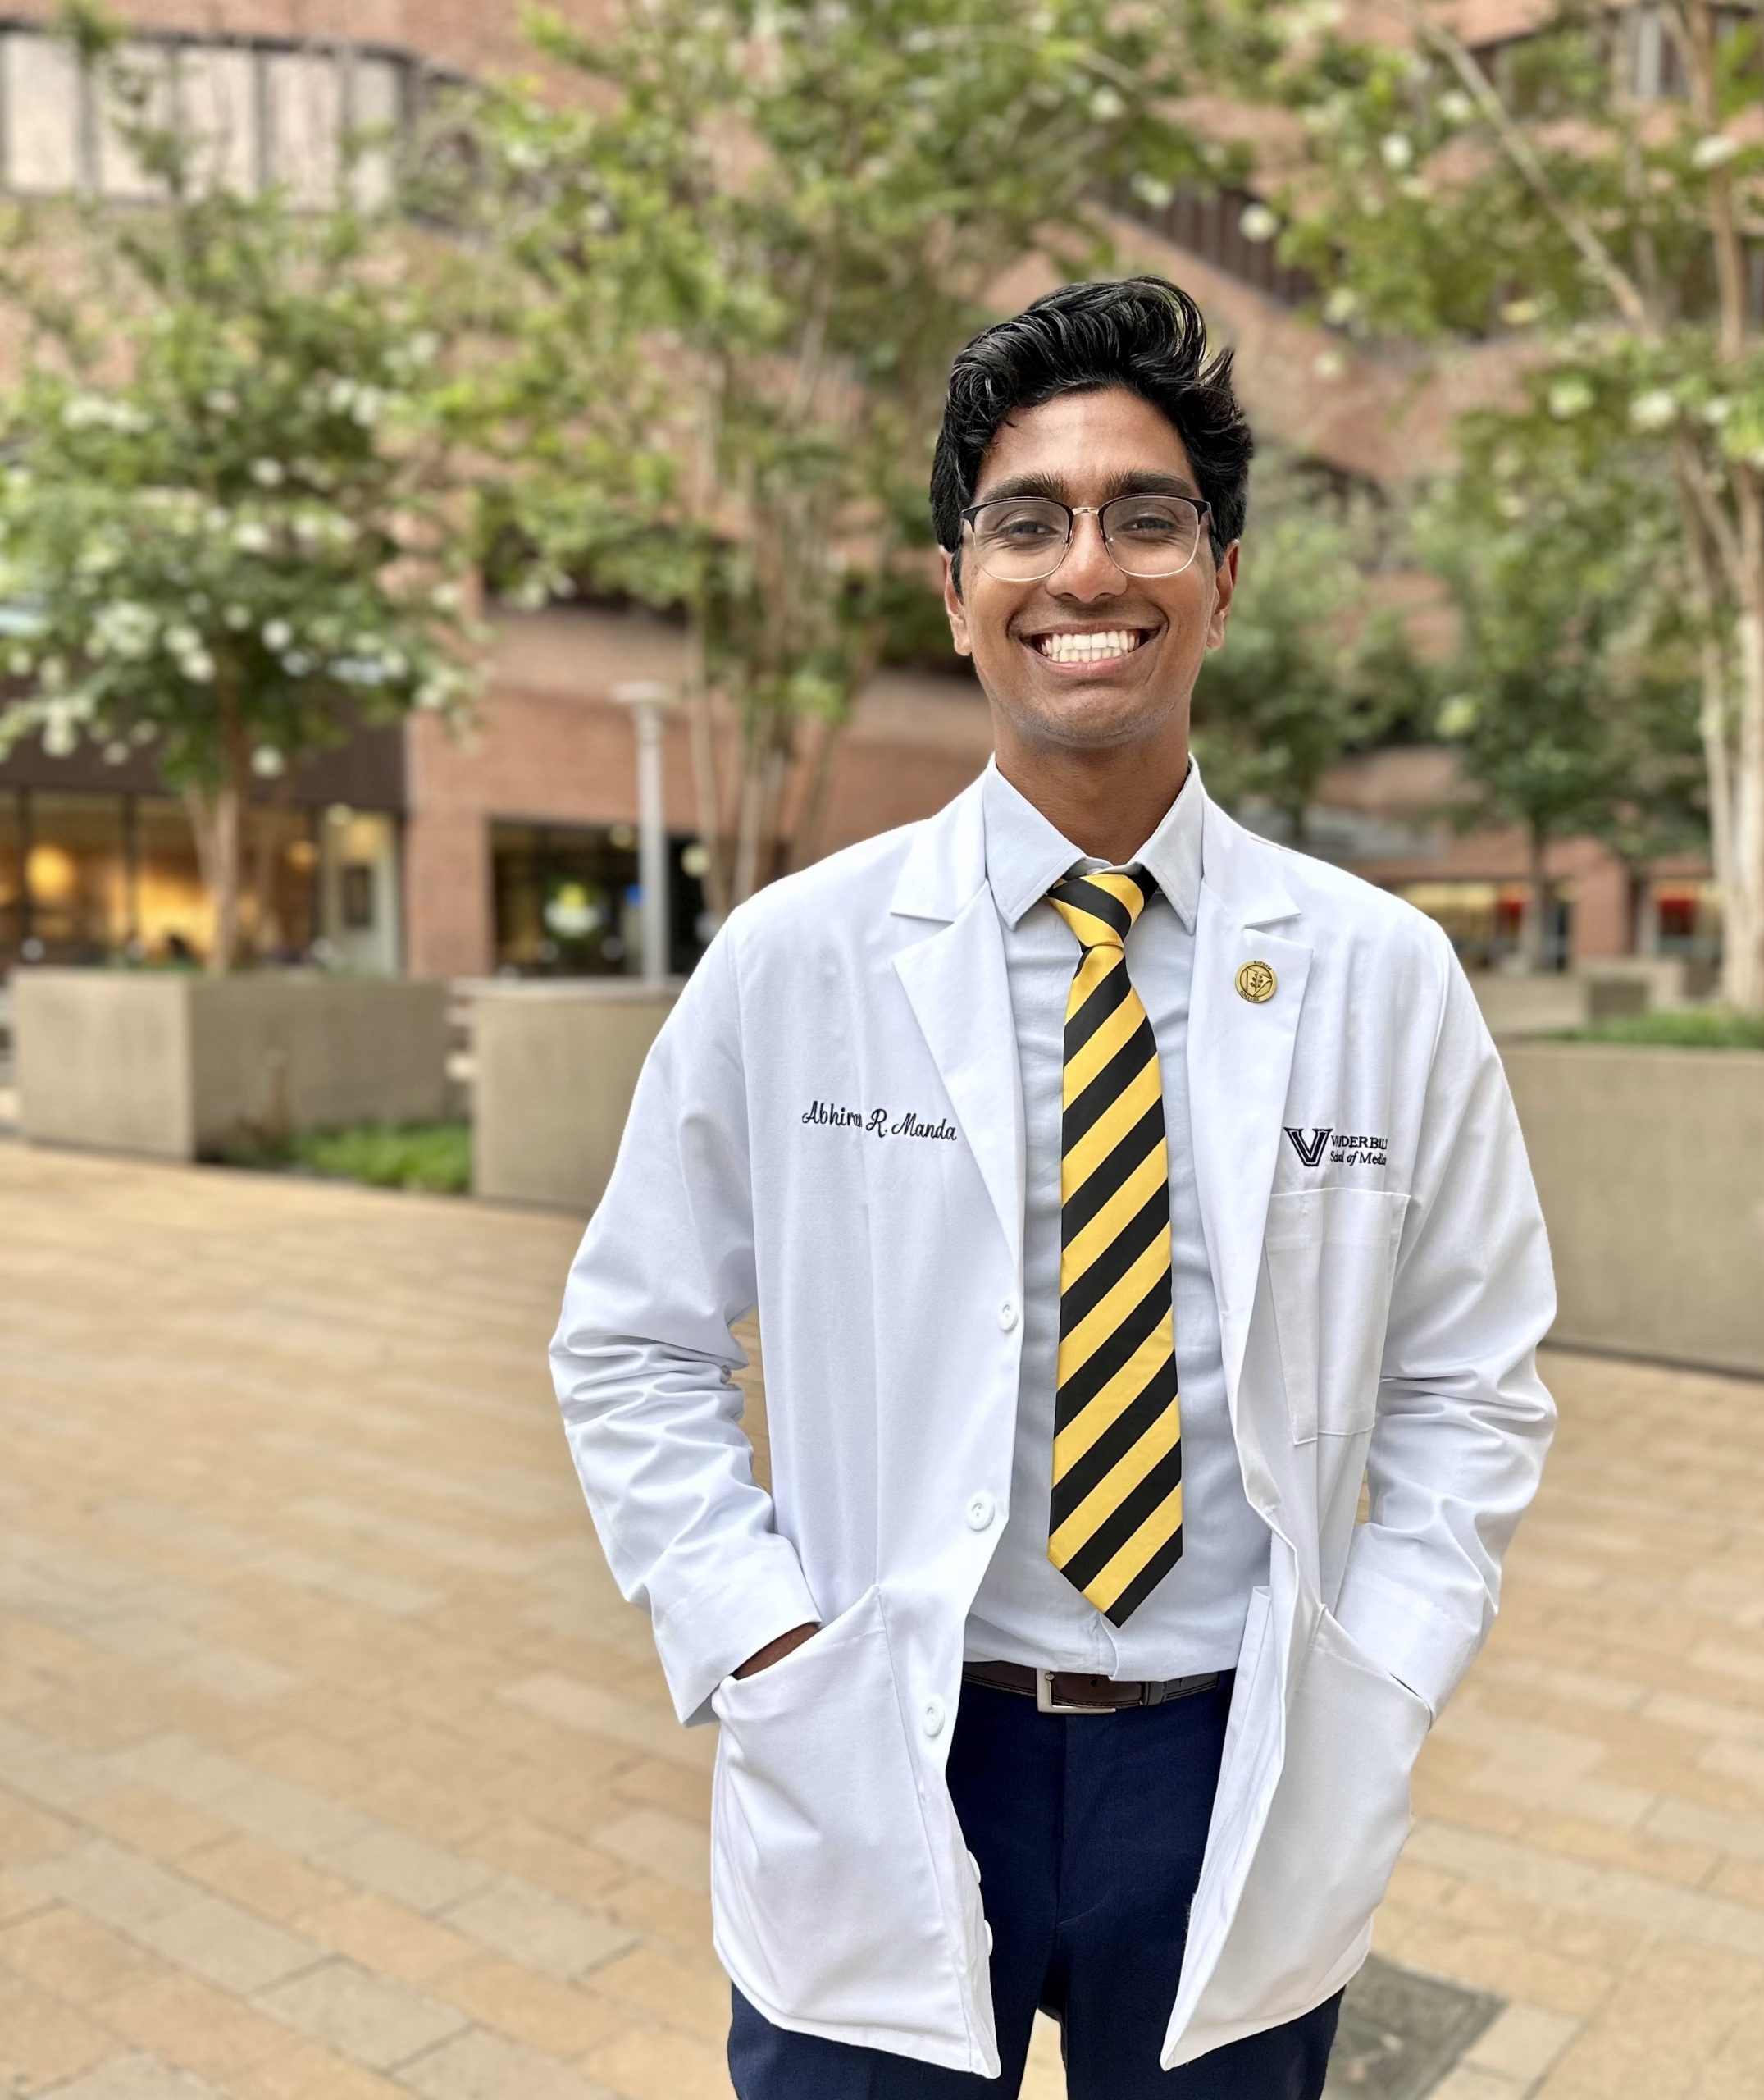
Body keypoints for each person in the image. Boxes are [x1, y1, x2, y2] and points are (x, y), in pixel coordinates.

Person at [549, 276, 1557, 2098]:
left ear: (1221, 579)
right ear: (955, 592)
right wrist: (762, 1638)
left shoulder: (1376, 970)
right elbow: (630, 1341)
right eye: (1025, 521)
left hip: (1230, 1757)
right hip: (887, 1741)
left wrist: (1385, 1666)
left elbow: (1473, 1374)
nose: (1083, 568)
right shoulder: (799, 958)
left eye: (1143, 517)